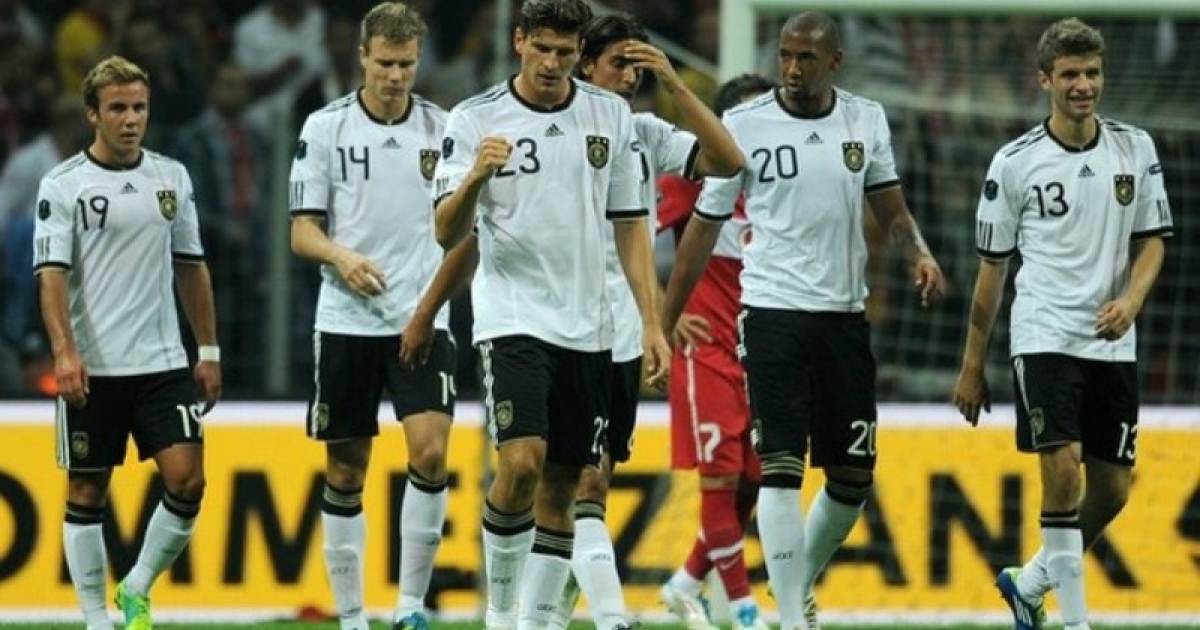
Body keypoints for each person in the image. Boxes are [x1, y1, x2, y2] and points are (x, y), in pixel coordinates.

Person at [661, 13, 945, 630]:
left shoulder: (865, 119)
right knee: (781, 471)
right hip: (772, 313)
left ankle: (798, 586)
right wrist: (663, 319)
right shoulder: (744, 124)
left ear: (835, 61)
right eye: (786, 56)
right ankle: (791, 618)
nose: (792, 68)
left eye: (807, 58)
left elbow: (891, 208)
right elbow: (704, 227)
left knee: (851, 480)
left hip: (843, 315)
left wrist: (918, 253)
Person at [432, 1, 671, 629]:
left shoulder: (609, 115)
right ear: (519, 42)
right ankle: (499, 613)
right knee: (520, 463)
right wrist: (475, 177)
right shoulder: (475, 118)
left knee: (564, 486)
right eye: (541, 48)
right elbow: (445, 231)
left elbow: (631, 226)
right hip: (512, 316)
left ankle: (534, 624)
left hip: (589, 325)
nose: (551, 63)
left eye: (565, 53)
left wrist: (651, 322)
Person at [952, 18, 1173, 630]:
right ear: (1044, 80)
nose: (1083, 85)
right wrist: (972, 364)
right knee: (1062, 467)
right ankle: (1073, 622)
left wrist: (1131, 301)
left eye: (1092, 73)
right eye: (1070, 74)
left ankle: (1029, 584)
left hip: (1112, 339)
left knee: (1114, 490)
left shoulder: (1135, 148)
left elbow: (1154, 242)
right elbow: (992, 270)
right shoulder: (1014, 163)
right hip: (1044, 332)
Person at [542, 14, 746, 630]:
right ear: (585, 66)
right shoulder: (549, 127)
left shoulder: (644, 132)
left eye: (638, 67)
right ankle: (609, 617)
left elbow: (728, 160)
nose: (631, 78)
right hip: (553, 322)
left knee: (593, 482)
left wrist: (675, 83)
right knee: (569, 481)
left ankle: (546, 616)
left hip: (623, 331)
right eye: (618, 65)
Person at [287, 4, 463, 630]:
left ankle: (411, 608)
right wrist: (342, 256)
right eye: (385, 63)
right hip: (346, 320)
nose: (395, 76)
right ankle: (353, 616)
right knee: (345, 469)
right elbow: (302, 232)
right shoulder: (325, 127)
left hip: (421, 316)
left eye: (406, 65)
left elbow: (461, 230)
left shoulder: (444, 129)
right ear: (362, 56)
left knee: (431, 455)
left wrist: (429, 308)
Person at [33, 55, 221, 630]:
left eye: (139, 107)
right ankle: (96, 619)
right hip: (95, 366)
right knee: (87, 490)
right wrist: (64, 352)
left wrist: (208, 350)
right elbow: (51, 275)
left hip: (163, 362)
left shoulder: (171, 177)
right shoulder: (63, 185)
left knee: (188, 480)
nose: (131, 118)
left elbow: (191, 265)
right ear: (93, 113)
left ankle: (137, 585)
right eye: (117, 108)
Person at [656, 73, 775, 630]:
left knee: (755, 479)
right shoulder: (694, 177)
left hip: (763, 351)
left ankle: (684, 584)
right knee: (721, 480)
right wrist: (663, 312)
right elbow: (625, 235)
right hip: (707, 349)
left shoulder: (778, 186)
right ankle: (745, 611)